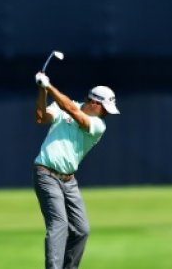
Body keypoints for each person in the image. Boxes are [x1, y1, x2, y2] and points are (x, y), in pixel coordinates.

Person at [33, 71, 120, 269]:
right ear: (94, 102)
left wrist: (49, 86)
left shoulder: (99, 125)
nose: (107, 113)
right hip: (45, 173)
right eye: (105, 108)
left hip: (69, 181)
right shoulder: (63, 106)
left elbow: (72, 110)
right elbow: (41, 117)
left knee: (82, 230)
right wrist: (42, 91)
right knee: (59, 224)